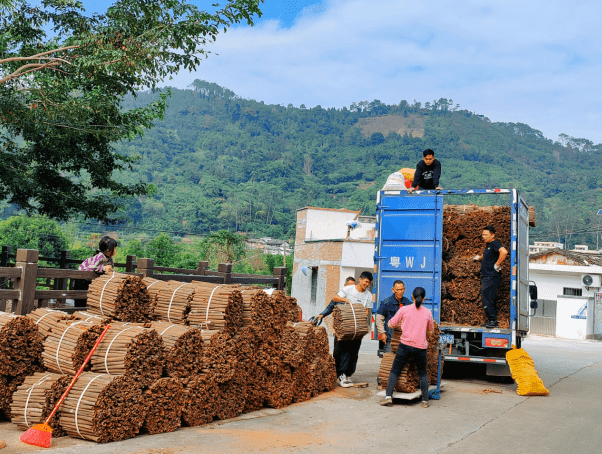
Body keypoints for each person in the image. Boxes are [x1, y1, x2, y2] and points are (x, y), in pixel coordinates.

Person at [380, 287, 434, 408]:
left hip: (405, 346)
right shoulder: (428, 313)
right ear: (424, 298)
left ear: (412, 297)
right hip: (421, 348)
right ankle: (425, 401)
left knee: (395, 370)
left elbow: (391, 324)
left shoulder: (404, 309)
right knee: (422, 373)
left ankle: (388, 397)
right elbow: (430, 331)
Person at [323, 272, 373, 388]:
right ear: (360, 280)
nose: (366, 284)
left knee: (354, 352)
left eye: (368, 283)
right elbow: (334, 298)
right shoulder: (349, 289)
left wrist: (360, 321)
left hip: (357, 328)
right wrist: (344, 300)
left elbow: (366, 312)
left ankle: (348, 374)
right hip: (345, 327)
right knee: (343, 351)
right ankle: (341, 375)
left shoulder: (368, 295)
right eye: (365, 281)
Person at [473, 225, 508, 328]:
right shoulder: (489, 245)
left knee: (487, 298)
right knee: (487, 297)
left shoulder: (494, 243)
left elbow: (504, 252)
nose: (484, 237)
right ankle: (491, 320)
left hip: (491, 276)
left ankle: (493, 321)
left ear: (493, 235)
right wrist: (479, 258)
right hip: (487, 276)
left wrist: (497, 264)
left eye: (486, 235)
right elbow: (486, 255)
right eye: (483, 235)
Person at [376, 280, 412, 353]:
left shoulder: (408, 302)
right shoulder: (387, 302)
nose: (400, 292)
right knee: (390, 360)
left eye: (402, 289)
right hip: (390, 338)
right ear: (393, 290)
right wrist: (382, 333)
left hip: (404, 340)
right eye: (398, 290)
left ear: (404, 289)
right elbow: (379, 318)